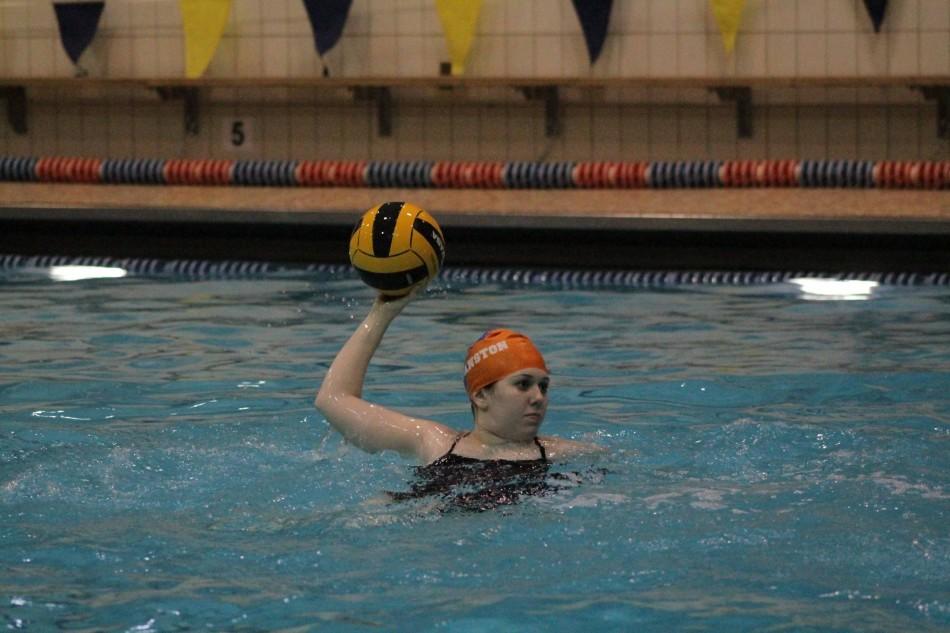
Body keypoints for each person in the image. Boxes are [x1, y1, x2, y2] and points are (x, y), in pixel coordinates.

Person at [315, 290, 603, 509]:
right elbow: (333, 399)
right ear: (480, 395)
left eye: (544, 386)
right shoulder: (435, 442)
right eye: (523, 384)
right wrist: (383, 311)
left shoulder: (563, 454)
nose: (538, 397)